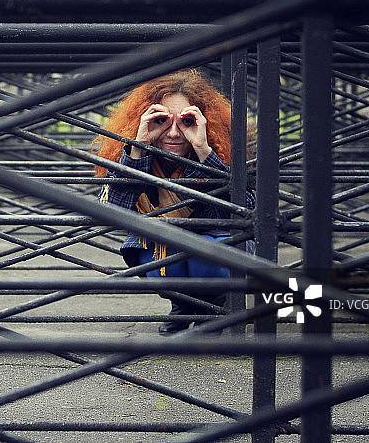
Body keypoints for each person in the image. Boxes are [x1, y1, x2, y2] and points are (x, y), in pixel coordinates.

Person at [94, 68, 254, 335]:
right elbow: (112, 210)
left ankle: (213, 305)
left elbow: (245, 210)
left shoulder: (222, 154)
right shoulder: (137, 154)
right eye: (162, 120)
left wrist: (204, 151)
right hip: (162, 251)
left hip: (219, 249)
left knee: (205, 251)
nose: (173, 133)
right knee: (166, 254)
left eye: (187, 121)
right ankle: (182, 303)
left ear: (206, 122)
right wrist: (139, 146)